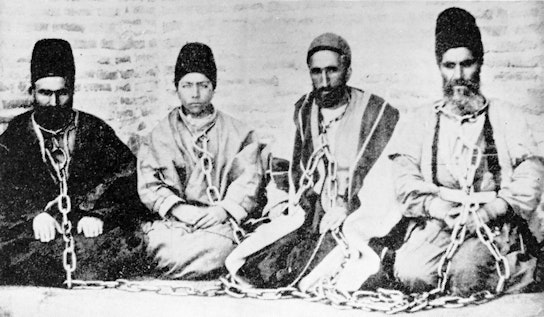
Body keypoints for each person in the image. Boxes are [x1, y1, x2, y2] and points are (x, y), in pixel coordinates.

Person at [225, 33, 401, 291]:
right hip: (310, 214)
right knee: (256, 262)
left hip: (358, 214)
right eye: (316, 72)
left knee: (336, 265)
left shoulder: (376, 114)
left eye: (332, 70)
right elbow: (281, 169)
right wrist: (281, 205)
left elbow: (387, 181)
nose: (325, 81)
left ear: (348, 71)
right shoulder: (302, 111)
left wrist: (345, 207)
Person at [391, 7, 544, 296]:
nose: (458, 76)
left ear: (480, 64)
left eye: (467, 64)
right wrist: (437, 209)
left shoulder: (506, 116)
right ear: (439, 66)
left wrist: (489, 212)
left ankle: (522, 265)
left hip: (493, 222)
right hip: (441, 220)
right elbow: (404, 179)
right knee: (413, 274)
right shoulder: (420, 119)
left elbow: (530, 177)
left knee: (466, 276)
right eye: (449, 66)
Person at [0, 39, 150, 286]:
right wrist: (33, 216)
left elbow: (126, 177)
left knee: (116, 243)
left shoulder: (95, 130)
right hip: (34, 233)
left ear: (73, 90)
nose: (54, 102)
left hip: (86, 232)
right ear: (32, 93)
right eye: (45, 93)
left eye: (62, 93)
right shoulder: (16, 134)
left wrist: (98, 214)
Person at [137, 42, 269, 279]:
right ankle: (198, 264)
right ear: (177, 88)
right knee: (150, 240)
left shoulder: (239, 133)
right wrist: (180, 209)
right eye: (187, 85)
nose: (195, 94)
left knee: (225, 247)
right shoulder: (159, 134)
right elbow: (149, 183)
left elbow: (249, 179)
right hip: (176, 221)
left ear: (213, 87)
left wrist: (222, 210)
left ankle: (189, 263)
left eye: (203, 85)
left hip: (219, 223)